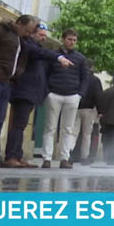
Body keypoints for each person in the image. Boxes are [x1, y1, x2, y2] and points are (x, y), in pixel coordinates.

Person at [7, 23, 72, 168]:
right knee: (18, 125)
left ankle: (17, 155)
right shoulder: (28, 45)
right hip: (23, 90)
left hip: (30, 92)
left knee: (21, 125)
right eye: (41, 35)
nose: (44, 38)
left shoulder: (35, 47)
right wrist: (59, 57)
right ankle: (11, 156)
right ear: (32, 34)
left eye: (45, 36)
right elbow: (41, 53)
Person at [0, 15, 39, 166]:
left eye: (30, 31)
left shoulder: (19, 39)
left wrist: (17, 73)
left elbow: (21, 58)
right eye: (26, 30)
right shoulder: (1, 31)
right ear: (19, 23)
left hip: (6, 82)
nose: (27, 34)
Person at [41, 28, 87, 169]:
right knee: (50, 127)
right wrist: (47, 92)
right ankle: (47, 158)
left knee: (68, 129)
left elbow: (85, 78)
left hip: (72, 96)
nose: (72, 42)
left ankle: (64, 158)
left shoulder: (80, 58)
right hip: (54, 94)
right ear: (63, 39)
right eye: (69, 39)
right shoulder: (53, 56)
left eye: (74, 40)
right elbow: (44, 74)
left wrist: (80, 94)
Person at [73, 67, 103, 165]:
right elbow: (98, 96)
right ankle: (84, 157)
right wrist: (100, 111)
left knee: (73, 133)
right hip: (89, 109)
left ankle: (68, 153)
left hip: (75, 108)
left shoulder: (77, 77)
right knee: (87, 135)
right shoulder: (95, 80)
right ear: (92, 68)